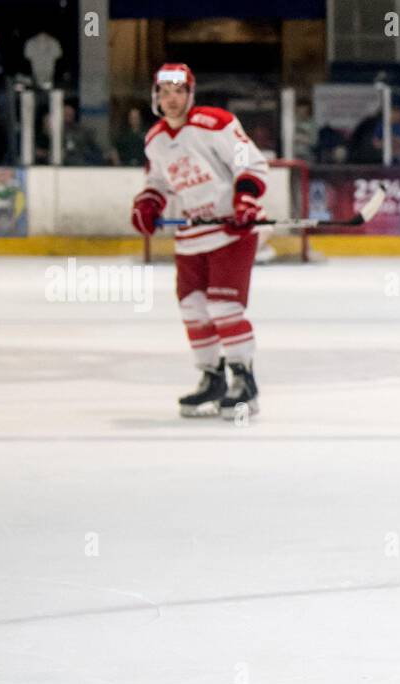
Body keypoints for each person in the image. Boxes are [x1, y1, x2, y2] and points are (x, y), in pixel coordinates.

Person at [129, 63, 269, 420]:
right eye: (164, 92)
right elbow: (158, 182)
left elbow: (251, 164)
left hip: (230, 231)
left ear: (190, 94)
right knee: (193, 309)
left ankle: (244, 381)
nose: (172, 99)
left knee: (224, 307)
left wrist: (246, 199)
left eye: (179, 91)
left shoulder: (215, 123)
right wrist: (148, 204)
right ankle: (212, 379)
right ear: (156, 97)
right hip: (191, 235)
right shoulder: (155, 139)